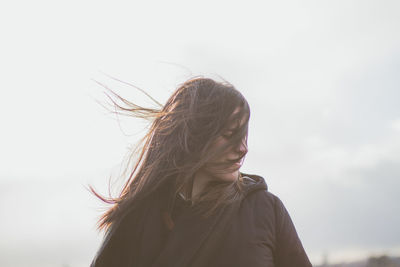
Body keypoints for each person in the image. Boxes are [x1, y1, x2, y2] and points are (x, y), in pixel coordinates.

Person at [90, 77, 312, 267]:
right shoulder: (135, 219)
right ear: (192, 136)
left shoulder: (266, 209)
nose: (243, 148)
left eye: (244, 135)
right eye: (230, 134)